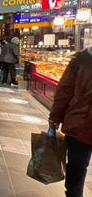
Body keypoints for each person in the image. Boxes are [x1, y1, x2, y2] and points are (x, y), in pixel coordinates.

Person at [48, 47, 92, 197]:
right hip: (80, 125)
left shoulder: (80, 60)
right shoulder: (80, 60)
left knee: (76, 171)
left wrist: (54, 118)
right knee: (76, 170)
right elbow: (65, 91)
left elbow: (64, 92)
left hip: (79, 124)